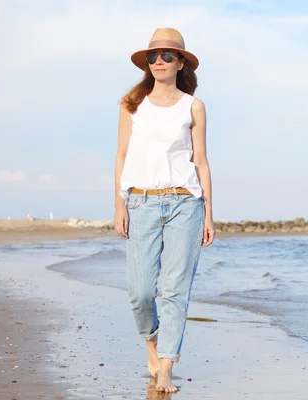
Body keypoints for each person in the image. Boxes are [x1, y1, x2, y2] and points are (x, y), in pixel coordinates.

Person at [113, 27, 215, 393]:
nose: (159, 61)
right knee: (140, 292)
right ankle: (152, 345)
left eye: (167, 55)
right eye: (153, 56)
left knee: (175, 290)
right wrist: (119, 204)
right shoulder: (132, 105)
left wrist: (208, 213)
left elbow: (200, 161)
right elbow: (122, 156)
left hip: (185, 204)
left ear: (180, 62)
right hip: (139, 201)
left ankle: (167, 367)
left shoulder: (193, 106)